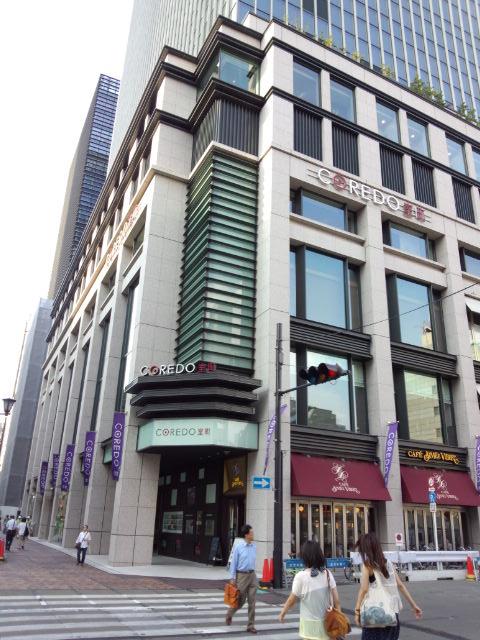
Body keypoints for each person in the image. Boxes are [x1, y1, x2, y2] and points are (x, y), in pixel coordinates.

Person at [354, 533, 422, 639]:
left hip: (375, 618)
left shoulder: (367, 565)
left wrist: (357, 610)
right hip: (392, 616)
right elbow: (400, 585)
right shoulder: (389, 563)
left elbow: (364, 589)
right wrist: (414, 605)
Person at [279, 540, 341, 639]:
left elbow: (291, 600)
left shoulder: (301, 576)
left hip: (309, 627)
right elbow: (336, 601)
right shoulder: (327, 574)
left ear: (304, 557)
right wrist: (339, 619)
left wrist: (283, 613)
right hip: (327, 625)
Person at [226, 524, 257, 634]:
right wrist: (232, 577)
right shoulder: (239, 547)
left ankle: (251, 625)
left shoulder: (254, 546)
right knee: (241, 600)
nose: (253, 534)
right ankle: (230, 613)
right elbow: (233, 563)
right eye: (251, 533)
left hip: (252, 575)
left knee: (252, 602)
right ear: (246, 535)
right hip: (241, 576)